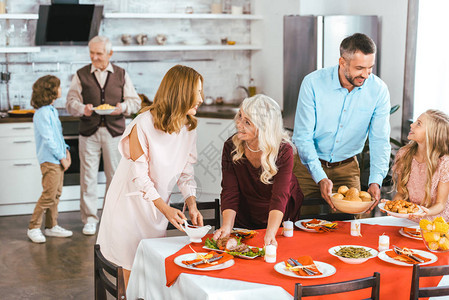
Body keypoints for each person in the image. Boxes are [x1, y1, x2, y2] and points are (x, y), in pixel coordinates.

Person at [96, 64, 205, 285]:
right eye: (198, 92)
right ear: (182, 93)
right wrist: (165, 209)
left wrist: (191, 204)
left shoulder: (189, 127)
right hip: (129, 207)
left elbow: (186, 172)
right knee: (129, 272)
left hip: (156, 208)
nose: (202, 99)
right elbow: (140, 177)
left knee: (151, 270)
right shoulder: (142, 125)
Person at [292, 33, 391, 212]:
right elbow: (302, 137)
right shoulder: (313, 83)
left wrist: (376, 181)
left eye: (370, 68)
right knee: (302, 223)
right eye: (359, 68)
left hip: (347, 169)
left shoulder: (378, 91)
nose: (366, 75)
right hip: (307, 168)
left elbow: (380, 140)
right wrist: (320, 177)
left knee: (351, 228)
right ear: (342, 62)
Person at [66, 36, 141, 235]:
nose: (94, 57)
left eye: (99, 53)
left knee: (115, 177)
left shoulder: (121, 74)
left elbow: (135, 102)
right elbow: (70, 102)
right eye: (92, 53)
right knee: (88, 177)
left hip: (115, 133)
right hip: (88, 132)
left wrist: (121, 108)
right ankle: (90, 219)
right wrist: (83, 108)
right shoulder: (81, 74)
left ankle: (112, 217)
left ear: (110, 53)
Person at [213, 95, 303, 247]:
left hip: (279, 212)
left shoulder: (283, 150)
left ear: (264, 127)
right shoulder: (231, 146)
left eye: (247, 122)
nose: (239, 124)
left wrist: (271, 232)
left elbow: (279, 196)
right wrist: (227, 225)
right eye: (240, 116)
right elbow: (230, 191)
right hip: (246, 208)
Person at [27, 75, 73, 243]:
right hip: (50, 160)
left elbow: (57, 137)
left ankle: (51, 226)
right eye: (58, 86)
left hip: (58, 159)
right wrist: (62, 158)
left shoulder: (52, 111)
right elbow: (48, 140)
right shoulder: (42, 114)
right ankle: (33, 227)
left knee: (56, 194)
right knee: (48, 195)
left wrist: (66, 152)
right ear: (50, 90)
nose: (61, 89)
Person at [388, 110, 449, 222]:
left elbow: (440, 204)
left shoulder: (444, 163)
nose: (411, 125)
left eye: (419, 124)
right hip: (410, 221)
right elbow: (401, 192)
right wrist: (393, 205)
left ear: (432, 134)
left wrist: (425, 212)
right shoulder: (404, 154)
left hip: (435, 223)